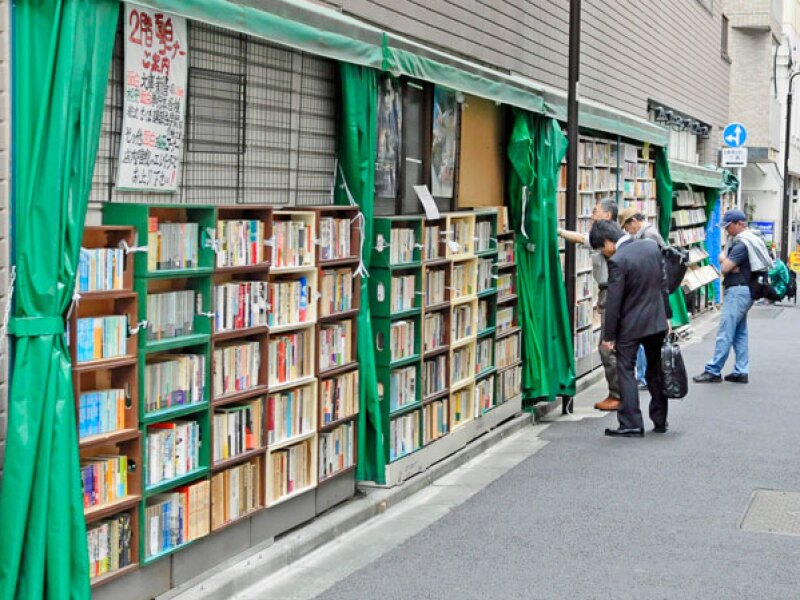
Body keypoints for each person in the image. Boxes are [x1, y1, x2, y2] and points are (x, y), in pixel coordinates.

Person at [591, 220, 672, 437]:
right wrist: (667, 315)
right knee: (655, 369)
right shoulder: (650, 246)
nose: (603, 252)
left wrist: (609, 336)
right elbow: (663, 282)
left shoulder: (618, 260)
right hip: (655, 320)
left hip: (631, 325)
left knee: (625, 368)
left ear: (608, 242)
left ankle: (631, 422)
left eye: (601, 248)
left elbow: (614, 301)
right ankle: (660, 420)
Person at [693, 210, 772, 384]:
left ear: (738, 223)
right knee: (739, 332)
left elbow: (725, 267)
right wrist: (727, 261)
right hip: (747, 290)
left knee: (726, 330)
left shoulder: (741, 244)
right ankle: (741, 370)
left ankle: (713, 370)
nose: (726, 230)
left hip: (737, 290)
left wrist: (724, 259)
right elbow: (729, 264)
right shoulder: (752, 240)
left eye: (728, 226)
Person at [558, 199, 621, 411]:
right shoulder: (602, 238)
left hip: (612, 292)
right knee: (613, 346)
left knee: (608, 346)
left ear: (608, 216)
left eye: (596, 211)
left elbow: (581, 239)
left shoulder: (611, 241)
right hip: (606, 292)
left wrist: (557, 230)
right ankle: (619, 393)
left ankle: (617, 394)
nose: (592, 214)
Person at [618, 207, 666, 390]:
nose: (627, 232)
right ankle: (646, 376)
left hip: (648, 293)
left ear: (634, 222)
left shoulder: (649, 237)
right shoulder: (648, 234)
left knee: (645, 338)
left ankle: (645, 376)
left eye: (626, 227)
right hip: (651, 293)